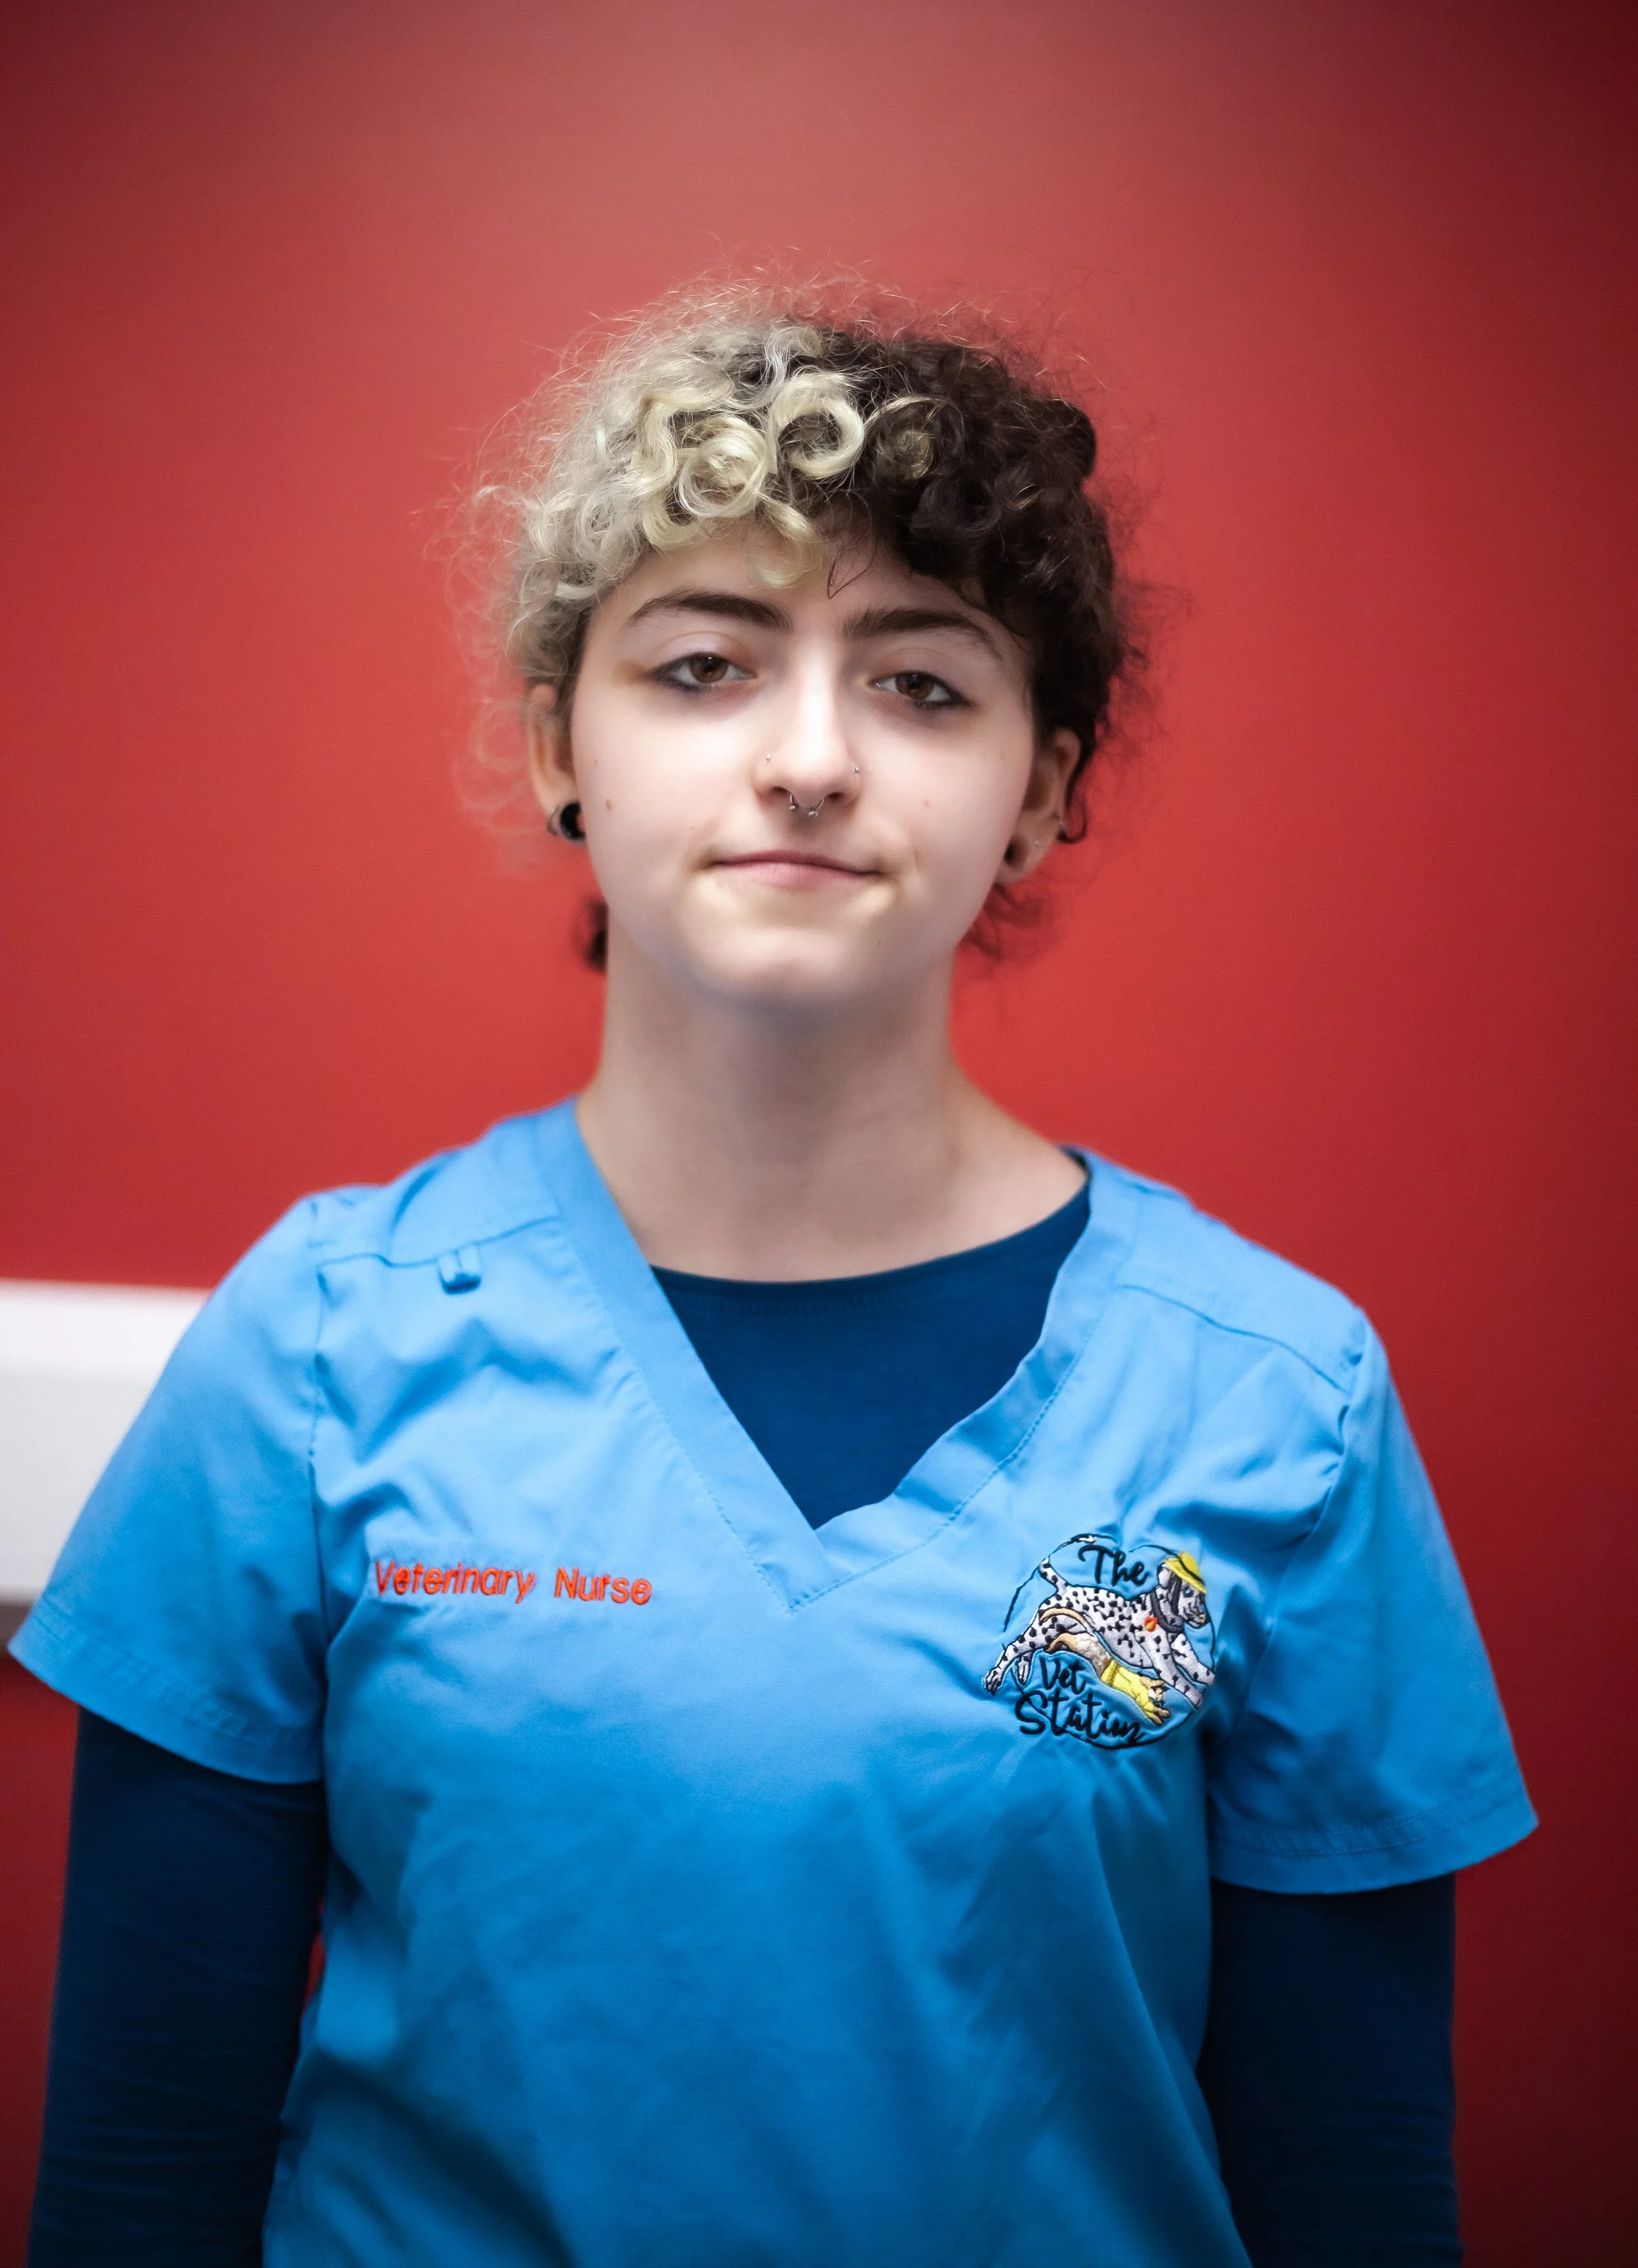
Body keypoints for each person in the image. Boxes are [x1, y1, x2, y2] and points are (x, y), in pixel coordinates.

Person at [14, 292, 1534, 2267]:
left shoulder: (1267, 1400)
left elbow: (1352, 2187)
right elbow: (141, 2164)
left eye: (920, 685)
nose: (809, 760)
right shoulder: (321, 1346)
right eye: (707, 665)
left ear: (1048, 781)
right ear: (567, 743)